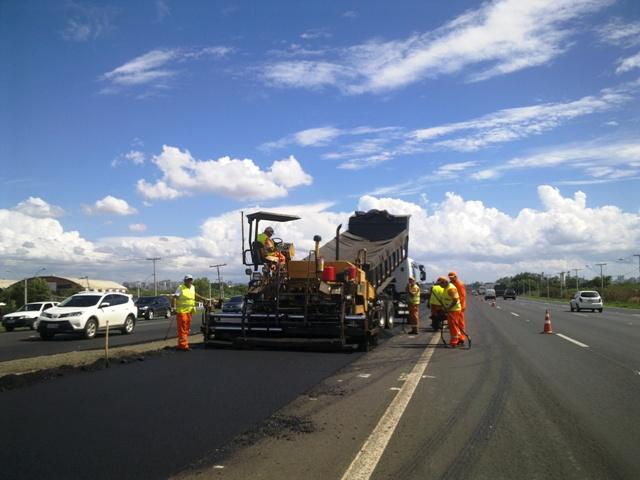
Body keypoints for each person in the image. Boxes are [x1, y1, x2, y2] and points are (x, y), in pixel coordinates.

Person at [172, 274, 209, 351]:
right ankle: (183, 346)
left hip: (190, 311)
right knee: (182, 328)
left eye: (191, 280)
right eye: (188, 280)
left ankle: (183, 344)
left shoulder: (192, 287)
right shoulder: (180, 287)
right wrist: (174, 308)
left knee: (187, 328)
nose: (190, 281)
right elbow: (175, 297)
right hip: (182, 311)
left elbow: (194, 294)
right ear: (185, 281)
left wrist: (203, 298)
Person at [448, 271, 467, 345]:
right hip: (457, 306)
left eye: (452, 277)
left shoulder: (459, 284)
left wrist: (460, 306)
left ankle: (461, 337)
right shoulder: (452, 284)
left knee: (459, 323)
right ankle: (460, 337)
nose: (451, 279)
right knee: (457, 323)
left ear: (456, 277)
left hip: (459, 306)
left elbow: (462, 296)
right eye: (450, 277)